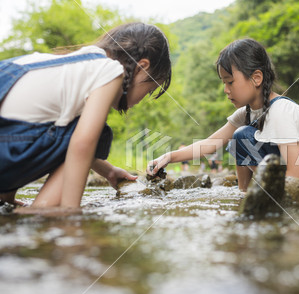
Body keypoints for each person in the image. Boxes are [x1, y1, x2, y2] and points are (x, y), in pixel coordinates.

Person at [0, 22, 172, 208]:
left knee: (72, 125)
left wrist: (109, 171)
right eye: (148, 91)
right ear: (142, 67)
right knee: (98, 133)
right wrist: (71, 211)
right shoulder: (111, 71)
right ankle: (43, 210)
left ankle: (6, 196)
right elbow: (83, 143)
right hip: (6, 147)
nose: (141, 100)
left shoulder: (77, 62)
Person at [147, 38, 299, 193]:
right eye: (224, 83)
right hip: (285, 174)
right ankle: (245, 191)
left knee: (242, 135)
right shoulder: (246, 113)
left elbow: (297, 175)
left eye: (230, 82)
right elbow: (209, 144)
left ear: (257, 78)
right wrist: (170, 156)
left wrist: (283, 194)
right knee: (240, 137)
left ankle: (262, 191)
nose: (226, 90)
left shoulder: (280, 111)